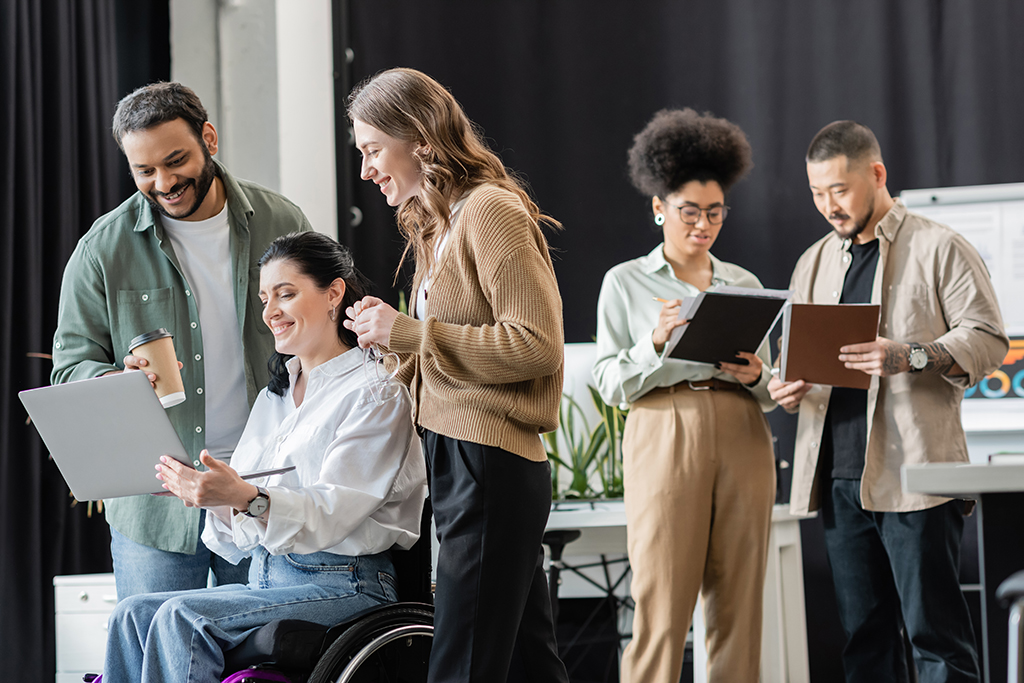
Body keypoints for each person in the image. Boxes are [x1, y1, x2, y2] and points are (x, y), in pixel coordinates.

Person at [101, 231, 428, 682]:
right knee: (131, 614)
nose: (269, 311)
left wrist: (246, 496)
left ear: (333, 293)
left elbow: (335, 510)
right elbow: (245, 522)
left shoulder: (374, 391)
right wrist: (207, 493)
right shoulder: (274, 399)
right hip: (267, 579)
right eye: (263, 297)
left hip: (345, 583)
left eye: (286, 294)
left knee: (180, 616)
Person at [343, 67, 569, 683]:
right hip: (463, 457)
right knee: (527, 664)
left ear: (417, 137)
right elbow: (444, 358)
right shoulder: (438, 227)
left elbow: (537, 347)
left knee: (461, 662)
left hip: (488, 461)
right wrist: (389, 344)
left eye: (371, 150)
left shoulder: (488, 210)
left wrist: (410, 334)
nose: (365, 170)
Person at [769, 120, 1008, 683]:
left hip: (916, 476)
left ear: (876, 174)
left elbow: (989, 339)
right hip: (839, 478)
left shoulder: (939, 246)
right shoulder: (813, 262)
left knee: (936, 639)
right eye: (816, 193)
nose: (828, 205)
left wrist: (912, 355)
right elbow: (792, 358)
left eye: (839, 189)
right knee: (864, 640)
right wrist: (786, 385)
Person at [50, 82, 311, 598]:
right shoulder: (102, 248)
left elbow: (322, 335)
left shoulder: (282, 222)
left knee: (265, 667)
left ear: (208, 138)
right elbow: (70, 366)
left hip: (262, 488)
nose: (164, 182)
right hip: (158, 503)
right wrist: (114, 381)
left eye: (175, 161)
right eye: (144, 170)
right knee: (155, 659)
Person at [592, 108, 777, 683]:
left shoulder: (742, 283)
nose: (703, 224)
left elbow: (770, 383)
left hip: (743, 429)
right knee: (661, 600)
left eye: (715, 212)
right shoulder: (626, 281)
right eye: (689, 211)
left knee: (740, 603)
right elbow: (608, 381)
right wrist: (655, 341)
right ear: (658, 208)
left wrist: (757, 377)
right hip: (664, 426)